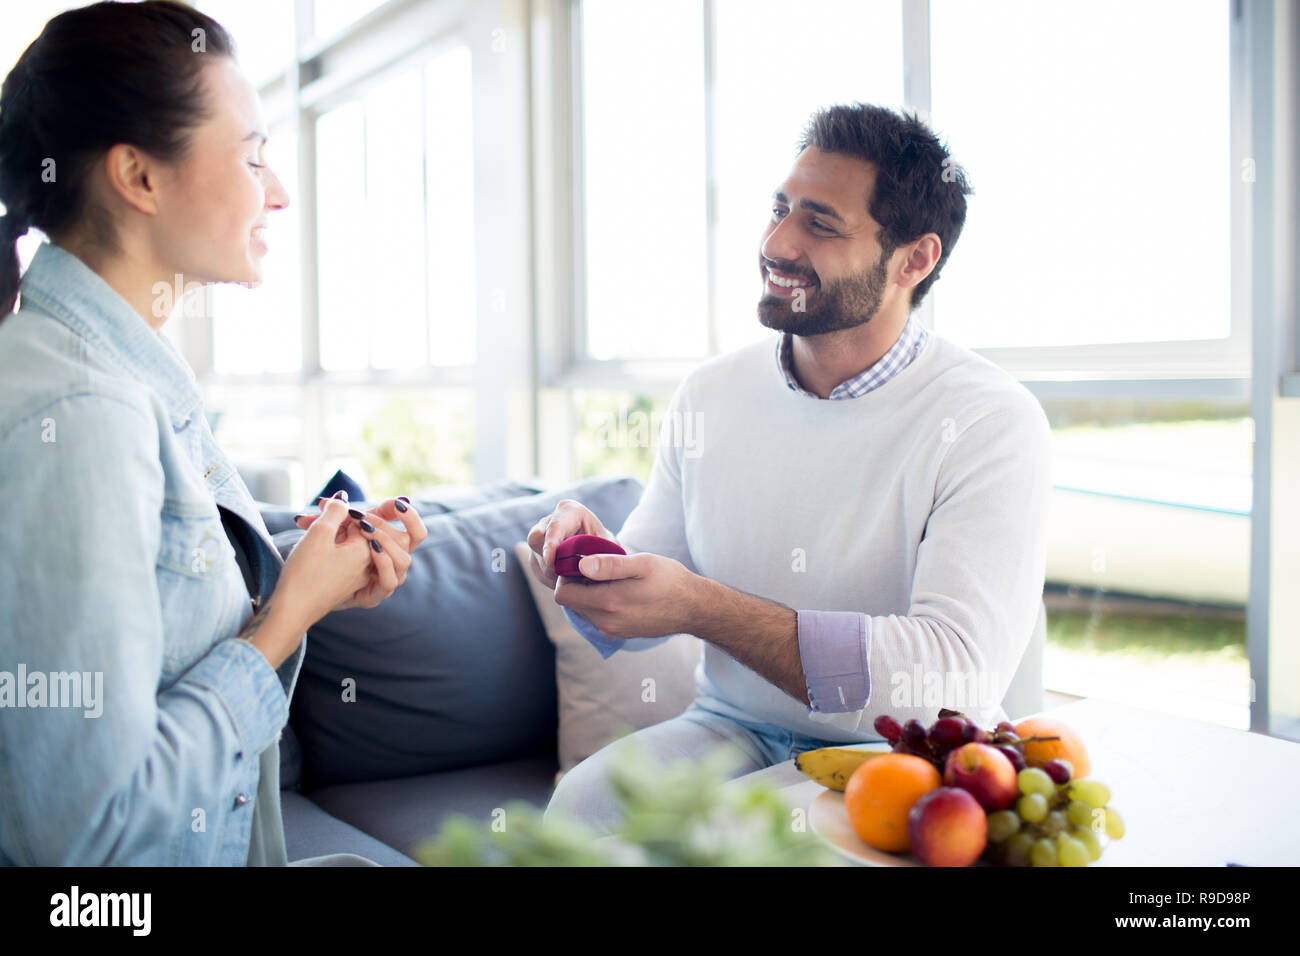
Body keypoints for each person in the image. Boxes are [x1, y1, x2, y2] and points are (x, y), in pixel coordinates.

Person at [530, 103, 1053, 833]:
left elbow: (949, 677)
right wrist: (598, 568)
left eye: (821, 223)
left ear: (914, 259)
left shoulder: (990, 420)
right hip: (730, 727)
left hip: (905, 750)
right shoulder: (710, 393)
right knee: (579, 810)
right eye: (780, 209)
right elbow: (652, 603)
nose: (777, 242)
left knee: (747, 845)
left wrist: (703, 606)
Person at [0, 1, 426, 865]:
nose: (278, 190)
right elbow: (87, 836)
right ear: (140, 178)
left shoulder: (116, 373)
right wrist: (289, 616)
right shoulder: (82, 416)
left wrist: (313, 577)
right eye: (254, 155)